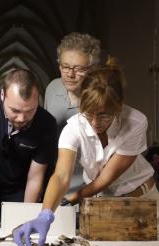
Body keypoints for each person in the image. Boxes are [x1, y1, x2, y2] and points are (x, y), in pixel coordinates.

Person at [13, 58, 159, 246]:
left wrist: (73, 197)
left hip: (144, 200)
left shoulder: (136, 122)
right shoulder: (74, 127)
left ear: (119, 105)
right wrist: (45, 213)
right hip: (101, 206)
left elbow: (106, 178)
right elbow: (61, 175)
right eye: (89, 114)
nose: (95, 122)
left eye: (104, 114)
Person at [0, 68, 57, 231]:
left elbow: (35, 178)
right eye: (15, 110)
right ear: (2, 95)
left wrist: (25, 219)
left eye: (30, 111)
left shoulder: (47, 123)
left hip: (16, 196)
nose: (21, 118)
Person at [44, 32, 101, 193]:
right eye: (65, 66)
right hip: (55, 183)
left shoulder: (100, 99)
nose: (70, 74)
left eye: (78, 69)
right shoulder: (53, 88)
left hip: (90, 188)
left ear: (92, 69)